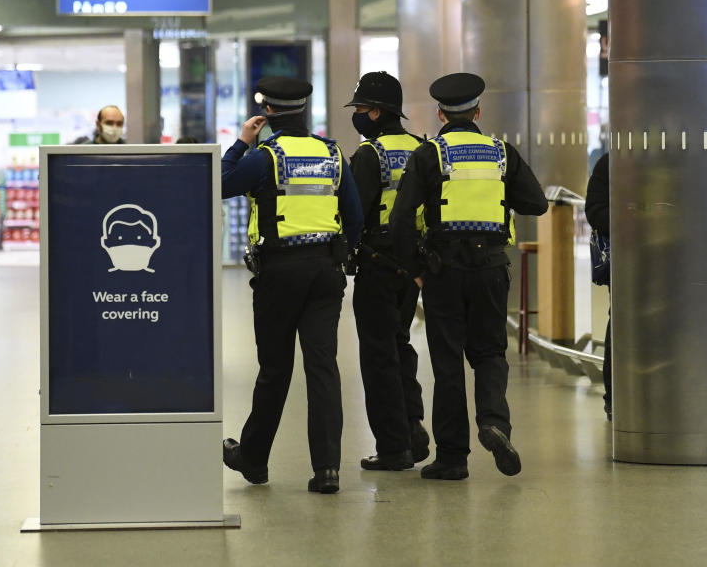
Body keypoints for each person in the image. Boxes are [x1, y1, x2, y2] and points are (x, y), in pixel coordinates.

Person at [389, 73, 547, 480]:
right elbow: (536, 203)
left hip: (444, 270)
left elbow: (401, 219)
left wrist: (416, 271)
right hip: (492, 268)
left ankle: (453, 457)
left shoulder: (430, 155)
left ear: (440, 114)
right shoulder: (500, 153)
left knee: (447, 362)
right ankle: (495, 422)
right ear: (478, 112)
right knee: (491, 352)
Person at [220, 77, 364, 494]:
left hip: (279, 274)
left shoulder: (266, 156)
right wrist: (336, 258)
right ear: (304, 108)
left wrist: (241, 143)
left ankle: (254, 460)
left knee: (275, 368)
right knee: (323, 368)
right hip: (325, 273)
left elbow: (221, 183)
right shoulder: (332, 153)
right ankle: (327, 470)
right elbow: (353, 219)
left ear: (266, 113)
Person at [345, 71, 430, 471]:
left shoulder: (369, 154)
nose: (358, 115)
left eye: (361, 108)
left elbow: (355, 214)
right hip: (411, 264)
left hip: (377, 263)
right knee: (400, 344)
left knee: (378, 355)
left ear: (377, 112)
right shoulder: (421, 148)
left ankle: (394, 447)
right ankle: (412, 426)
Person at [585, 152, 611, 421]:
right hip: (628, 257)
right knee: (621, 321)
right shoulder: (611, 162)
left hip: (675, 255)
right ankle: (614, 397)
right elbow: (595, 210)